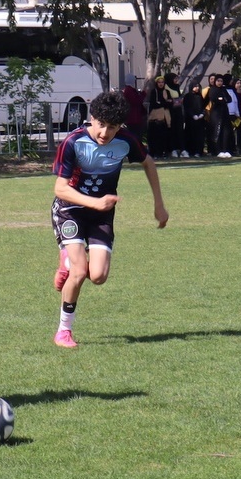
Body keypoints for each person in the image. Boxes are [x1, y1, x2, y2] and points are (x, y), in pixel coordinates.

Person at [51, 91, 168, 348]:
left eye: (112, 127)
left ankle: (69, 262)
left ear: (120, 126)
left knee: (99, 276)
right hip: (69, 210)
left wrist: (159, 204)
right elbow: (60, 188)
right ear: (92, 119)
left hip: (101, 214)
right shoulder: (73, 142)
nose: (105, 133)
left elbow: (148, 163)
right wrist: (95, 202)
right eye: (101, 125)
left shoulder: (126, 141)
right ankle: (63, 332)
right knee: (80, 272)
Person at [146, 75, 171, 159]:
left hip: (165, 118)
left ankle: (162, 153)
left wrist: (162, 103)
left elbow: (170, 103)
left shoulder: (167, 92)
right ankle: (154, 153)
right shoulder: (154, 91)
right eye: (159, 82)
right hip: (155, 119)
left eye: (162, 82)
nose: (161, 84)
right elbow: (154, 104)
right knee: (154, 137)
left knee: (163, 137)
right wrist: (164, 102)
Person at [164, 73, 187, 157]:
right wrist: (172, 101)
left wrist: (180, 100)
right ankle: (172, 149)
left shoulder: (177, 87)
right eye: (175, 79)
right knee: (172, 131)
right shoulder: (166, 87)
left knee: (180, 130)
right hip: (170, 112)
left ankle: (182, 149)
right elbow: (167, 99)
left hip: (178, 111)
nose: (176, 80)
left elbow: (179, 96)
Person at [209, 75, 232, 158]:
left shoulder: (223, 89)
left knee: (226, 131)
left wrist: (221, 99)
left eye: (221, 81)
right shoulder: (213, 89)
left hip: (224, 113)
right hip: (216, 113)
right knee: (217, 131)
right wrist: (221, 99)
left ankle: (225, 149)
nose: (220, 83)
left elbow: (229, 99)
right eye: (218, 81)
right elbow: (213, 98)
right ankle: (217, 150)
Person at [182, 82, 206, 158]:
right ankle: (190, 151)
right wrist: (192, 115)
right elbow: (187, 108)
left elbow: (203, 106)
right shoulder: (188, 96)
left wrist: (202, 114)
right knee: (190, 135)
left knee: (199, 136)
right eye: (195, 86)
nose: (197, 88)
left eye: (198, 86)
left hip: (200, 120)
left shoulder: (200, 96)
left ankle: (198, 151)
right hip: (191, 120)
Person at [122, 73, 147, 145]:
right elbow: (136, 101)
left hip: (135, 117)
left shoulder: (129, 90)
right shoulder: (129, 90)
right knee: (135, 135)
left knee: (136, 134)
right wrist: (143, 94)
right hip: (133, 118)